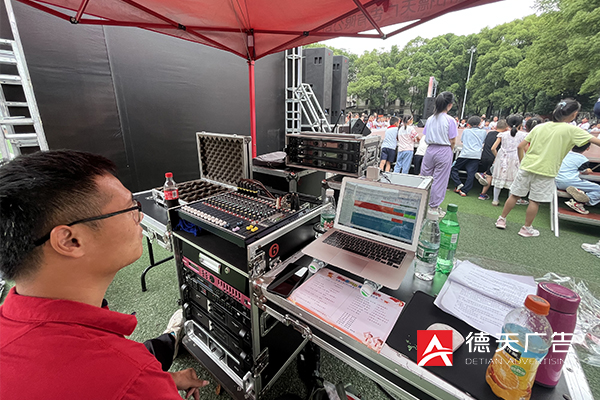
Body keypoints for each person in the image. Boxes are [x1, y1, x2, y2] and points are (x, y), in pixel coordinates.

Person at [0, 150, 209, 400]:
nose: (140, 216)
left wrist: (162, 379)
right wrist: (147, 383)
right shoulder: (134, 383)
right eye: (130, 208)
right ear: (71, 240)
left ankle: (171, 339)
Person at [495, 99, 600, 237]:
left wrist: (522, 162)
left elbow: (520, 146)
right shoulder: (573, 130)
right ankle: (526, 228)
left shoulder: (540, 127)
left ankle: (501, 219)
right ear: (574, 114)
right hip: (546, 170)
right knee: (534, 200)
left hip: (527, 166)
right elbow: (596, 141)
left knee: (514, 194)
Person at [420, 91, 458, 214]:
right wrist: (450, 151)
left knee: (425, 177)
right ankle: (433, 207)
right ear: (449, 105)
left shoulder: (430, 119)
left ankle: (421, 203)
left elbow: (425, 134)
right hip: (444, 149)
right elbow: (453, 140)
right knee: (439, 180)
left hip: (430, 149)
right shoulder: (450, 120)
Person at [490, 115, 527, 206]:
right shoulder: (523, 135)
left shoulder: (503, 134)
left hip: (503, 157)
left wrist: (498, 157)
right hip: (516, 158)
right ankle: (509, 202)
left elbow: (493, 148)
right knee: (513, 180)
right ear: (520, 124)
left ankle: (495, 200)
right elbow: (526, 149)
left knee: (499, 178)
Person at [555, 142, 600, 214]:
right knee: (598, 189)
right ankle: (580, 203)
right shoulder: (583, 159)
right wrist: (588, 170)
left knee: (581, 181)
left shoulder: (564, 154)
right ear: (588, 148)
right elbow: (584, 171)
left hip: (555, 180)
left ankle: (580, 192)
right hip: (568, 181)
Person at [450, 115, 487, 196]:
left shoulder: (466, 131)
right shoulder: (484, 132)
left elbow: (462, 140)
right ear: (480, 123)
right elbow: (483, 141)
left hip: (465, 153)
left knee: (454, 168)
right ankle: (465, 191)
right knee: (471, 173)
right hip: (476, 155)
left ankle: (458, 183)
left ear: (469, 124)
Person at [476, 120, 508, 200]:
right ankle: (482, 194)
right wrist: (498, 157)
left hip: (484, 156)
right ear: (506, 129)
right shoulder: (502, 136)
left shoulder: (490, 133)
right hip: (493, 158)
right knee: (490, 176)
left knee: (489, 173)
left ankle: (483, 174)